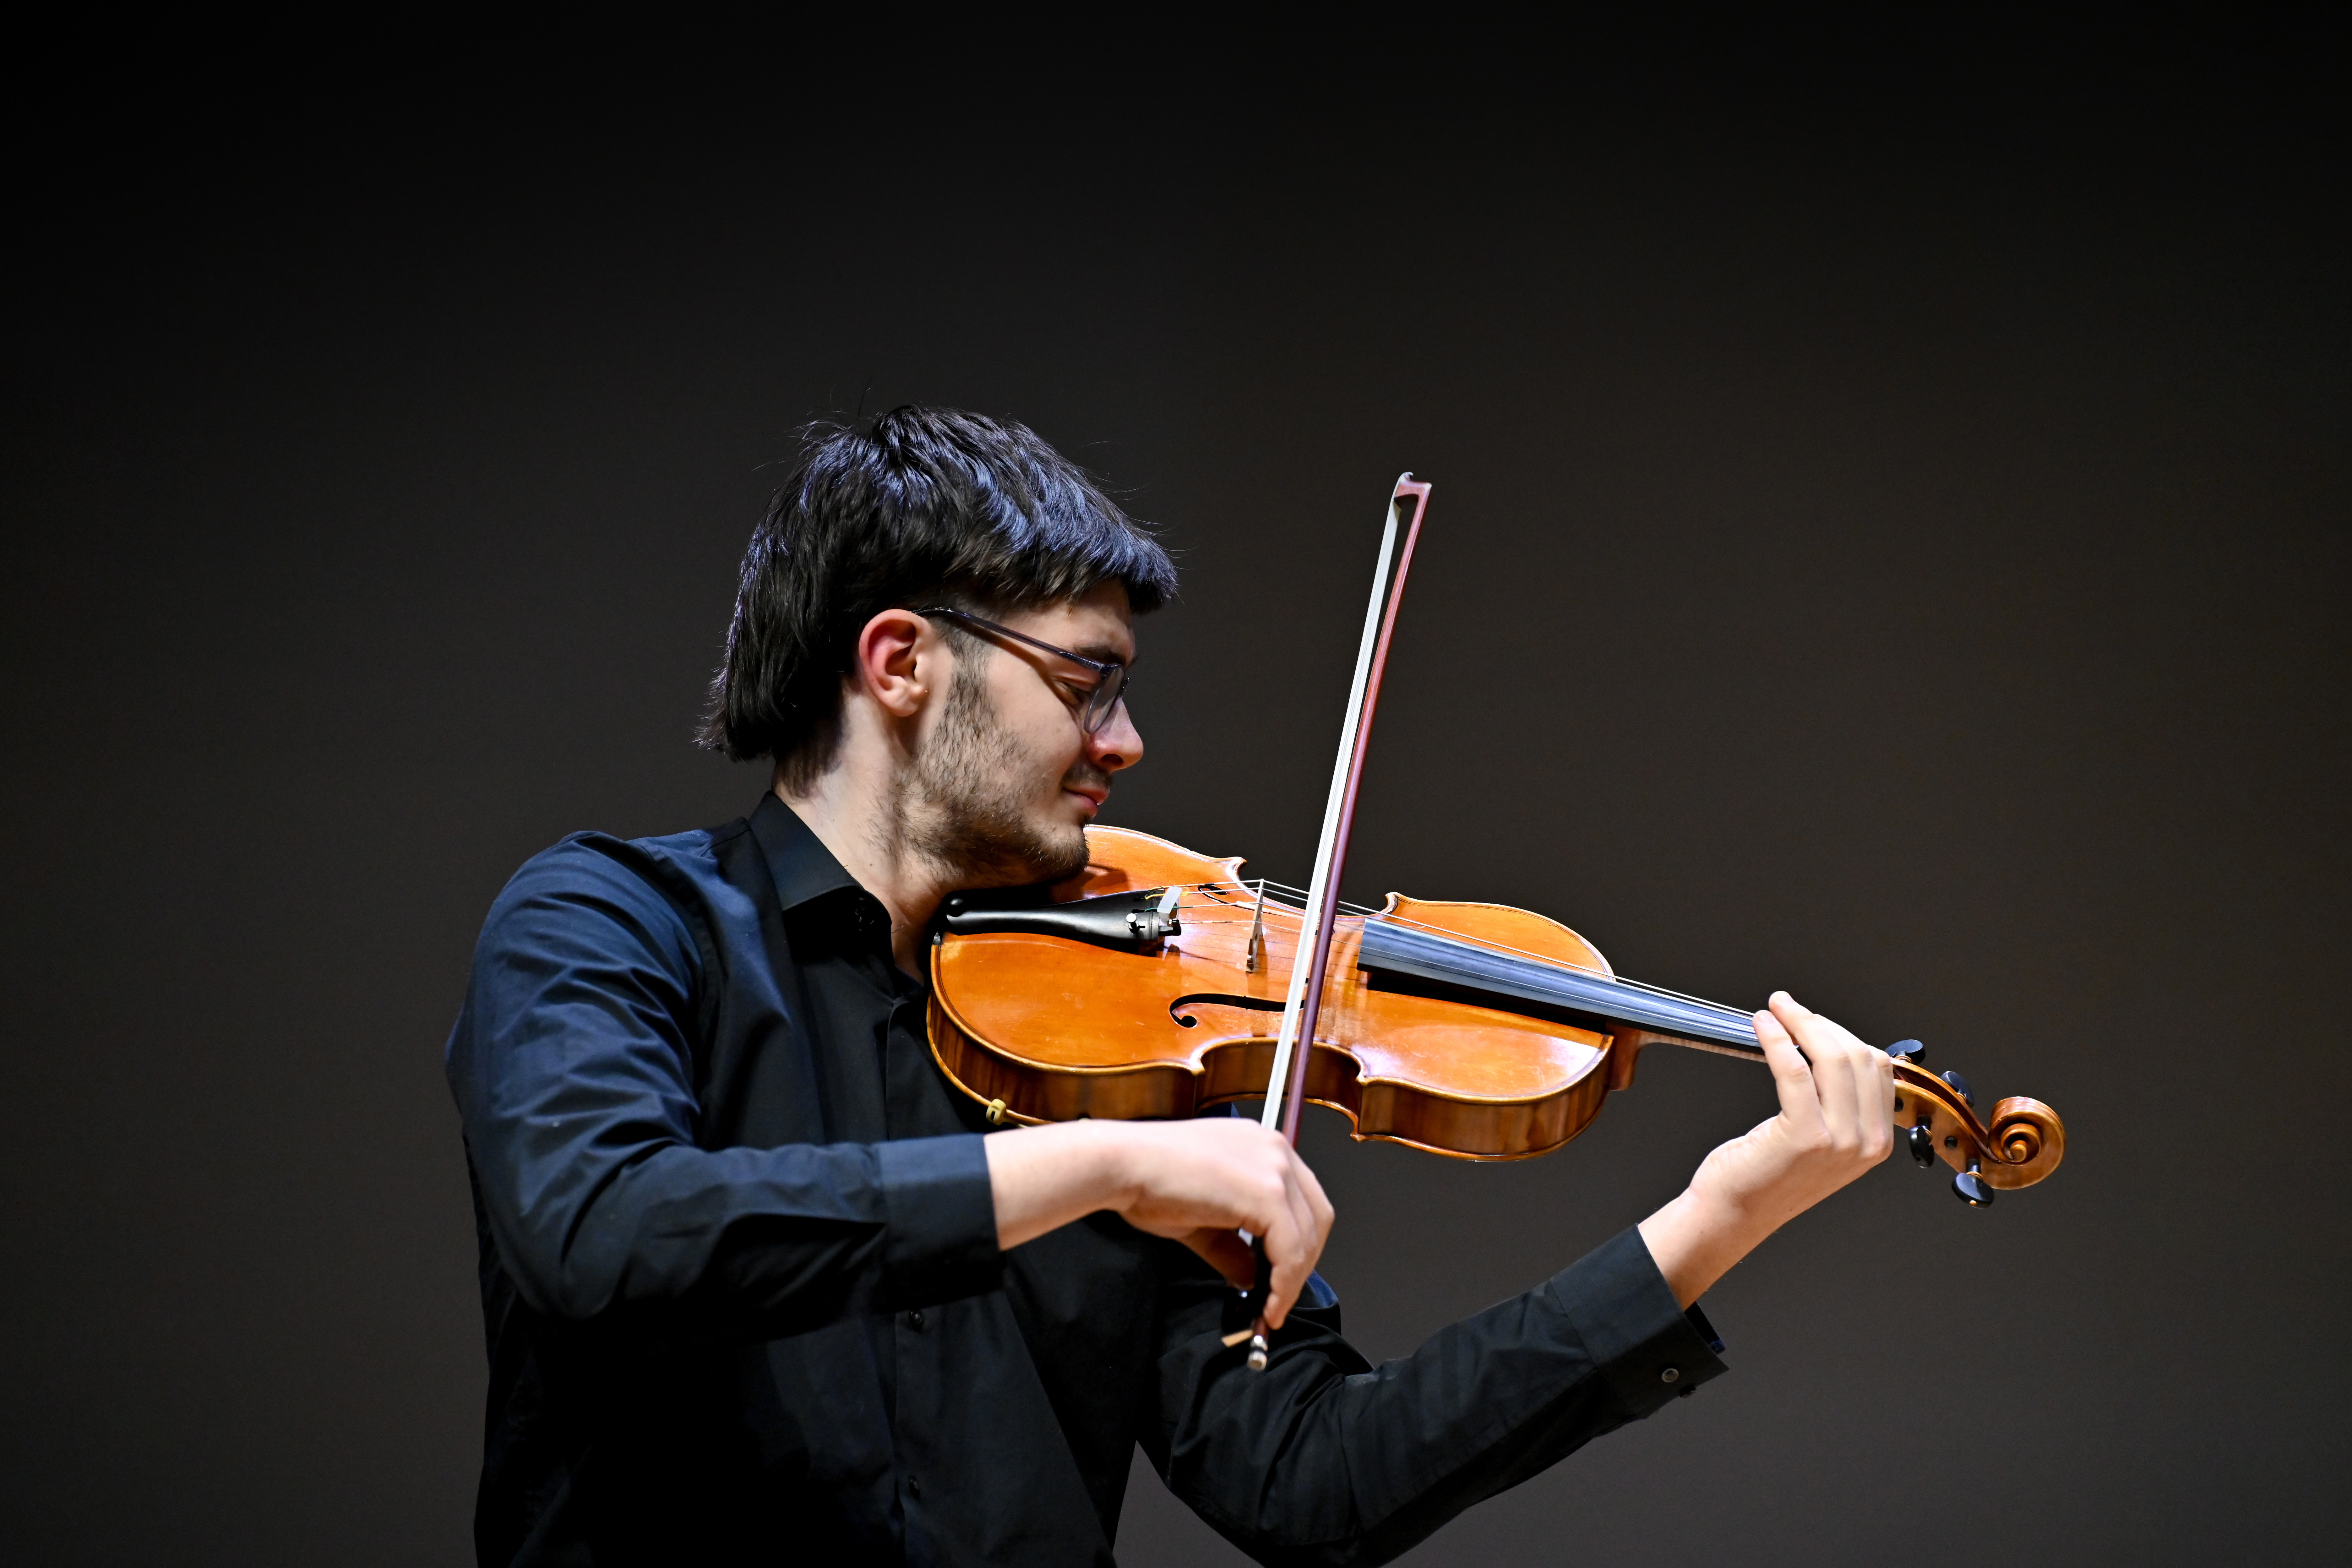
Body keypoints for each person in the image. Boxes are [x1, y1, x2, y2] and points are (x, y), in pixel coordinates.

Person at [445, 406, 1895, 1566]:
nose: (1125, 742)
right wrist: (1108, 1167)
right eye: (1088, 683)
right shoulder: (610, 925)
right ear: (899, 662)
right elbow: (604, 1233)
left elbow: (1316, 1482)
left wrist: (1719, 1217)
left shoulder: (1112, 1049)